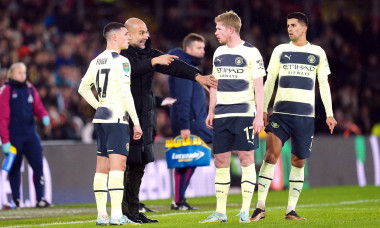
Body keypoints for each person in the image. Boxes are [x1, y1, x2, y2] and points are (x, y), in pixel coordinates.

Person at [120, 18, 217, 224]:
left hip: (145, 117)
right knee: (126, 164)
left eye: (147, 32)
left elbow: (175, 66)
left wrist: (197, 76)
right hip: (125, 117)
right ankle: (123, 210)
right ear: (128, 35)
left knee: (139, 164)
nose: (147, 36)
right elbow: (129, 71)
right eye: (142, 33)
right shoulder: (120, 55)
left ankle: (133, 210)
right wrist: (153, 63)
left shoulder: (149, 54)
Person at [250, 12, 338, 221]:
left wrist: (330, 114)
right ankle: (260, 207)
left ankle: (291, 210)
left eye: (293, 25)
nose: (289, 29)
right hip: (280, 114)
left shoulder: (317, 52)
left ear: (304, 28)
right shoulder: (280, 50)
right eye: (288, 25)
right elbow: (270, 81)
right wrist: (262, 109)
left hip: (305, 117)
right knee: (271, 155)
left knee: (298, 162)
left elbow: (323, 84)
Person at [199, 10, 265, 223]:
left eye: (218, 28)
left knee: (246, 159)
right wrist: (211, 110)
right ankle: (220, 212)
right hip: (223, 114)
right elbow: (214, 84)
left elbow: (259, 87)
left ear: (230, 29)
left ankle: (245, 210)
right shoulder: (218, 53)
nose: (215, 32)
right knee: (220, 161)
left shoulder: (252, 53)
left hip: (244, 113)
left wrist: (258, 116)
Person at [78, 22, 142, 226]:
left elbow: (83, 88)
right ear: (114, 37)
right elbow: (125, 94)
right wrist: (137, 122)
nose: (128, 38)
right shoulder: (122, 61)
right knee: (118, 166)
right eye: (125, 34)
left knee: (102, 167)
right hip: (116, 119)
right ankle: (116, 215)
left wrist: (100, 105)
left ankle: (101, 215)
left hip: (101, 119)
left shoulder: (97, 60)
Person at [168, 33, 212, 211]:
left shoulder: (188, 66)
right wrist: (185, 126)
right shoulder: (184, 69)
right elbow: (183, 99)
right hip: (191, 123)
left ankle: (179, 199)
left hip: (194, 121)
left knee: (190, 160)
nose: (203, 51)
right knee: (186, 160)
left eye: (203, 48)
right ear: (188, 49)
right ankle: (178, 200)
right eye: (199, 48)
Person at [0, 62, 52, 209]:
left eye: (24, 72)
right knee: (15, 168)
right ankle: (16, 200)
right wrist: (5, 140)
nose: (22, 75)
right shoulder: (6, 90)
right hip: (14, 135)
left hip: (30, 134)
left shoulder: (30, 88)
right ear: (11, 74)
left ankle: (40, 198)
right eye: (19, 72)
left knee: (38, 165)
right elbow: (2, 117)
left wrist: (44, 116)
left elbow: (38, 107)